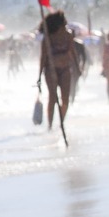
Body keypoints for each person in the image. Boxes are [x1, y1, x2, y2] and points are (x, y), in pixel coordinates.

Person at [38, 10, 78, 138]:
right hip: (51, 70)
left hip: (65, 69)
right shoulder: (48, 38)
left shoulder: (68, 35)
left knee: (65, 99)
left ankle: (61, 123)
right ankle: (50, 125)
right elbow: (43, 56)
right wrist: (39, 75)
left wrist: (78, 67)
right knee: (52, 98)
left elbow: (73, 52)